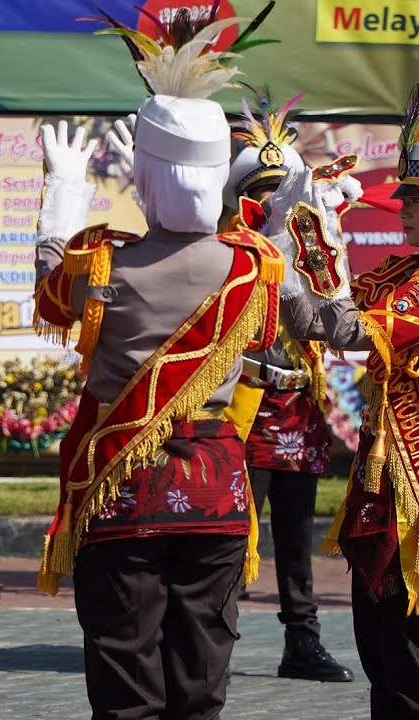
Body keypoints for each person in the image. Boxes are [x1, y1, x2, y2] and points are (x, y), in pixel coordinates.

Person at [33, 11, 282, 718]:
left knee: (125, 677)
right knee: (202, 681)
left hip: (125, 486)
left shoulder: (107, 261)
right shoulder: (254, 266)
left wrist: (64, 192)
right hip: (218, 489)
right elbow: (315, 322)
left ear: (144, 173)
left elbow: (52, 295)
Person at [274, 46, 419, 719]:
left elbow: (348, 327)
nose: (403, 207)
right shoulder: (406, 272)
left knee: (415, 651)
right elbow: (320, 317)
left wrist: (317, 243)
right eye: (404, 195)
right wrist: (287, 240)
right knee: (379, 644)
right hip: (386, 477)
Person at [222, 90, 357, 683]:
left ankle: (301, 639)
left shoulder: (304, 241)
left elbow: (332, 313)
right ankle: (210, 636)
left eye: (282, 189)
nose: (274, 200)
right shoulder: (228, 246)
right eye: (262, 191)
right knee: (229, 529)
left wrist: (324, 231)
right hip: (244, 403)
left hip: (298, 400)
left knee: (298, 531)